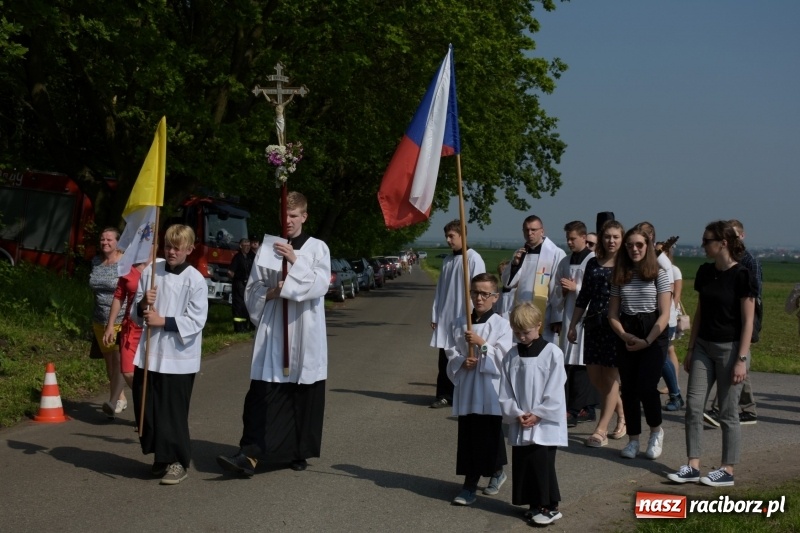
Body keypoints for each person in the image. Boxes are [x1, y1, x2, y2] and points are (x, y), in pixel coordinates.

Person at [217, 192, 331, 476]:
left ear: (304, 216)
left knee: (302, 394)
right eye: (285, 215)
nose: (289, 221)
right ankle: (250, 452)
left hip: (304, 331)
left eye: (294, 216)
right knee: (262, 392)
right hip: (275, 330)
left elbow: (320, 285)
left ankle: (297, 452)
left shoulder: (318, 249)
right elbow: (253, 289)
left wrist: (294, 259)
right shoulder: (269, 247)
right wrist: (273, 292)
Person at [667, 221, 756, 487]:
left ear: (723, 243)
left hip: (731, 349)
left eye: (707, 241)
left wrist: (741, 359)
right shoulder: (705, 272)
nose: (703, 245)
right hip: (704, 346)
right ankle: (692, 465)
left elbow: (748, 322)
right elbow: (701, 312)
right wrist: (691, 348)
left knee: (728, 412)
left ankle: (727, 469)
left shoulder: (742, 275)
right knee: (694, 407)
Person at [131, 224, 208, 485]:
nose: (171, 251)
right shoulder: (152, 272)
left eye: (177, 247)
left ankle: (178, 461)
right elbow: (135, 312)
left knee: (172, 412)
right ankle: (160, 457)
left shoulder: (195, 279)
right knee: (148, 408)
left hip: (178, 357)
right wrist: (143, 303)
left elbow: (197, 320)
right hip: (150, 353)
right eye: (168, 246)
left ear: (189, 249)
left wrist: (162, 320)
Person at [445, 273, 513, 505]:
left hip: (489, 388)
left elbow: (504, 358)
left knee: (490, 433)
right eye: (475, 292)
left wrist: (482, 345)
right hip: (467, 385)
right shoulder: (459, 322)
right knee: (469, 435)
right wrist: (461, 361)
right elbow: (450, 351)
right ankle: (475, 481)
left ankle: (483, 478)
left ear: (495, 297)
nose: (479, 298)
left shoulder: (502, 325)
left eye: (485, 294)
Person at [499, 302, 567, 526]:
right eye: (516, 332)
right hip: (521, 418)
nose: (521, 337)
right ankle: (534, 504)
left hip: (544, 422)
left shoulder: (552, 353)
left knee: (542, 462)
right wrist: (516, 413)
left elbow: (556, 388)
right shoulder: (511, 356)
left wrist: (538, 413)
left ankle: (550, 506)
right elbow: (505, 389)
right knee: (524, 461)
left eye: (526, 332)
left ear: (539, 326)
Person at [608, 226, 671, 460]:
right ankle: (633, 439)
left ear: (648, 247)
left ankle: (656, 431)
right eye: (630, 245)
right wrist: (625, 335)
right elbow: (612, 313)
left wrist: (647, 340)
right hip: (628, 330)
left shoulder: (659, 274)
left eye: (639, 245)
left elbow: (664, 314)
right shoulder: (620, 275)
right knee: (630, 389)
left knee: (647, 387)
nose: (634, 249)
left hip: (653, 333)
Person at [568, 220, 627, 447]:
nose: (611, 241)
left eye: (615, 237)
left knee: (611, 378)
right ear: (601, 239)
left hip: (616, 326)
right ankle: (622, 413)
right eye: (607, 236)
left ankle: (600, 430)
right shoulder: (592, 263)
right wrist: (573, 324)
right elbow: (584, 297)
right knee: (595, 377)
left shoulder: (626, 264)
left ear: (622, 239)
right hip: (593, 325)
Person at [704, 219, 762, 426]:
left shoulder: (748, 263)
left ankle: (728, 409)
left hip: (741, 323)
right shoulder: (715, 267)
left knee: (737, 366)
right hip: (721, 325)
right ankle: (744, 409)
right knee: (736, 371)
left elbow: (754, 296)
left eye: (735, 235)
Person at [429, 220, 486, 409]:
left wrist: (474, 315)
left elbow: (479, 290)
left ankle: (462, 393)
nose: (448, 240)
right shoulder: (447, 260)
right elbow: (440, 290)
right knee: (444, 358)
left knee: (463, 356)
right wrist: (435, 315)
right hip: (446, 318)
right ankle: (444, 394)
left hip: (464, 316)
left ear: (463, 236)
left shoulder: (473, 259)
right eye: (446, 236)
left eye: (451, 236)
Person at [551, 221, 597, 427]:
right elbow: (555, 292)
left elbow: (597, 293)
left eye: (573, 238)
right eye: (567, 238)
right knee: (568, 363)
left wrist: (575, 287)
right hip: (569, 316)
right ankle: (571, 407)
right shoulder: (565, 261)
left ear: (584, 238)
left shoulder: (593, 261)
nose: (569, 242)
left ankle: (579, 409)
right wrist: (562, 291)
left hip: (586, 319)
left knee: (582, 365)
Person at [501, 215, 566, 340]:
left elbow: (556, 288)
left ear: (542, 231)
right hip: (522, 311)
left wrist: (557, 317)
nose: (529, 233)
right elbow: (507, 283)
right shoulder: (520, 253)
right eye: (526, 230)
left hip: (544, 314)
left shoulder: (555, 253)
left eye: (533, 230)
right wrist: (514, 265)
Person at [89, 227, 126, 419]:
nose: (105, 243)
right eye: (102, 239)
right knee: (109, 365)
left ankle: (115, 401)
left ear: (118, 242)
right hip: (99, 320)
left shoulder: (125, 263)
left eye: (109, 239)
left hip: (120, 320)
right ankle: (120, 396)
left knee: (119, 362)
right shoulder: (96, 262)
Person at [103, 261, 150, 410]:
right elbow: (119, 296)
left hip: (151, 328)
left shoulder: (160, 267)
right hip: (130, 327)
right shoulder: (127, 269)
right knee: (128, 371)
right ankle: (146, 406)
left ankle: (147, 413)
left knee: (150, 373)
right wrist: (110, 325)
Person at [228, 238, 252, 332]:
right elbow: (230, 272)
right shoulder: (237, 257)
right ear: (241, 246)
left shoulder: (249, 257)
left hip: (247, 284)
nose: (247, 247)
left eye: (248, 245)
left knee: (246, 306)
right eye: (245, 245)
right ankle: (238, 328)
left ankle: (245, 326)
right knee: (239, 306)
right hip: (239, 284)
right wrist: (236, 279)